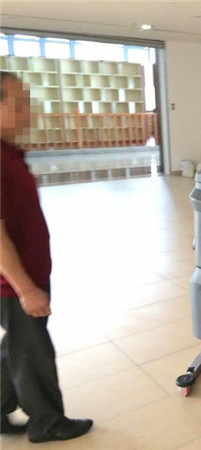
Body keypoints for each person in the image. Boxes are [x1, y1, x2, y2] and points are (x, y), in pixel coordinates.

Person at [0, 72, 93, 443]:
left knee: (19, 344)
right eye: (19, 104)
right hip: (12, 281)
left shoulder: (9, 154)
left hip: (25, 274)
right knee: (32, 351)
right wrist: (25, 289)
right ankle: (47, 423)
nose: (29, 112)